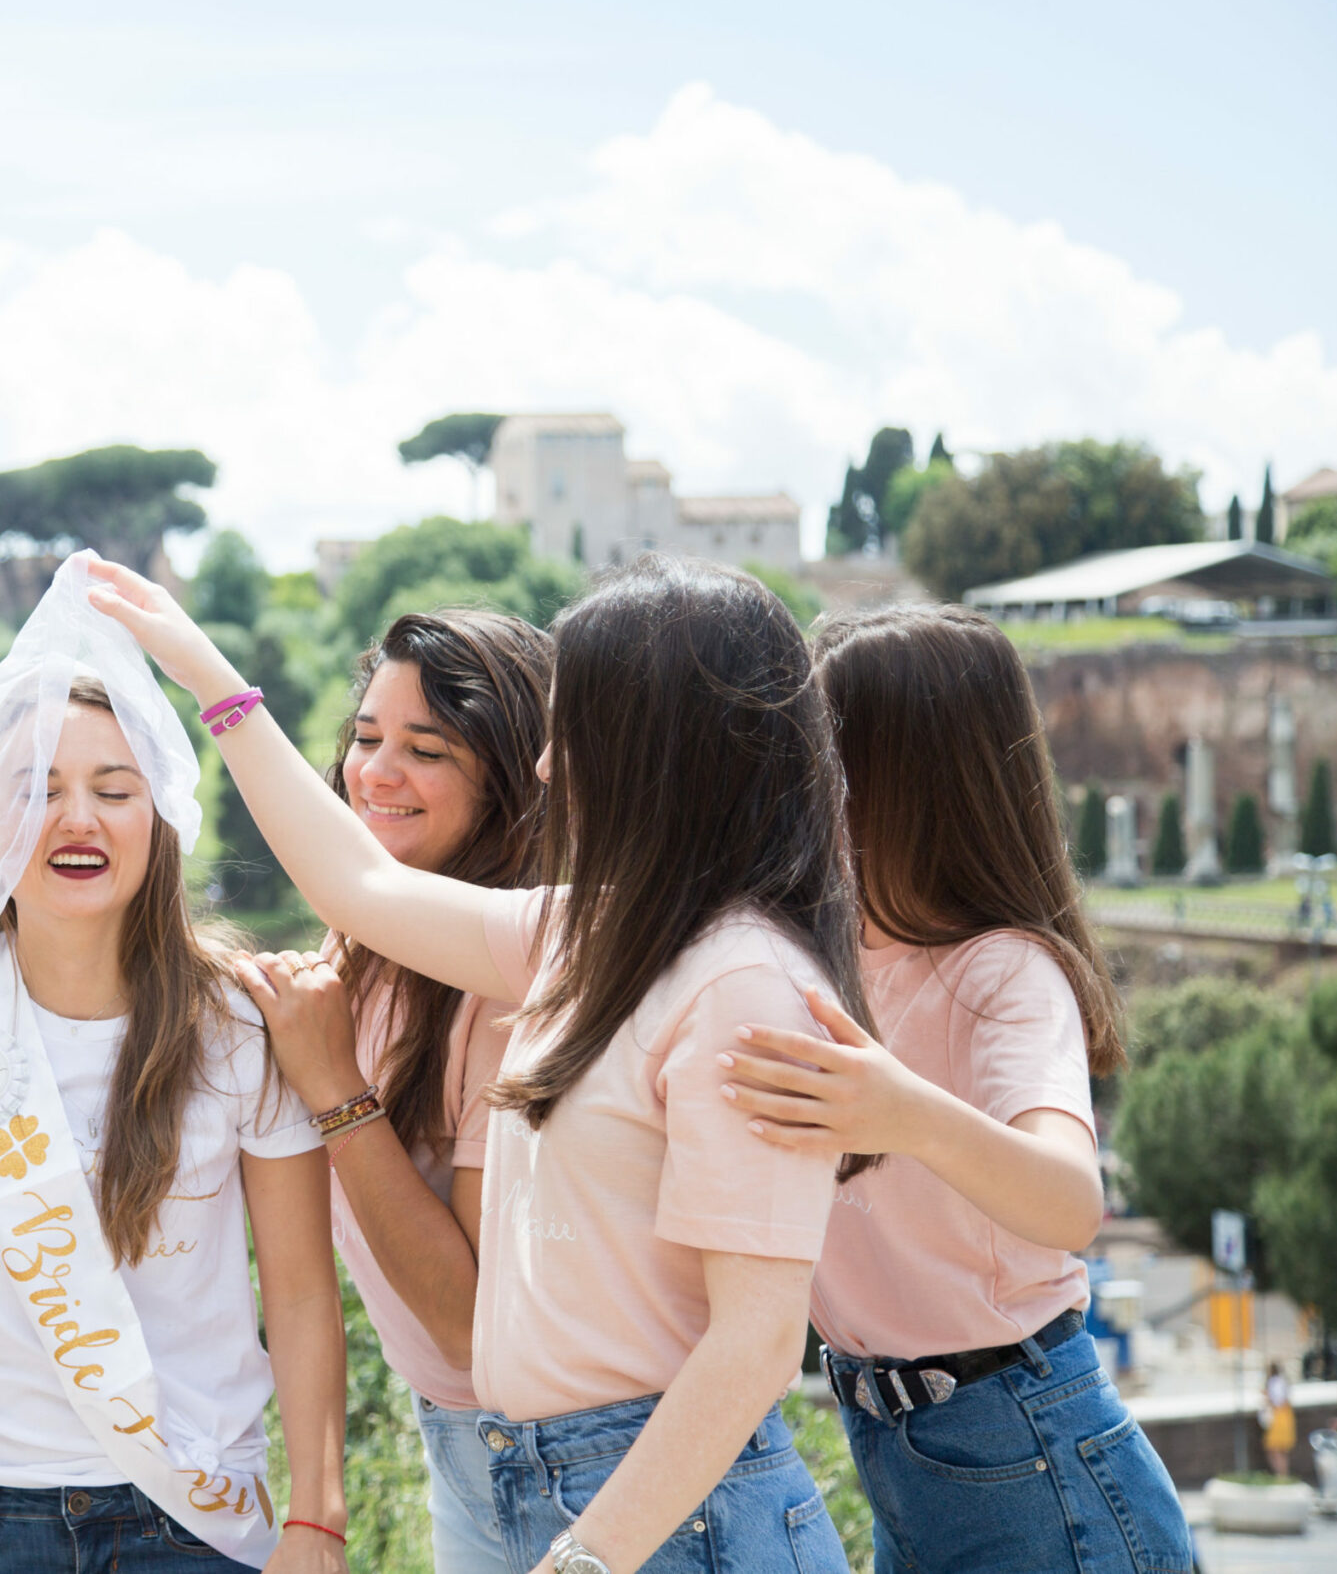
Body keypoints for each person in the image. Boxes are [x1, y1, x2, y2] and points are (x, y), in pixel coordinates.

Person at [91, 551, 860, 1574]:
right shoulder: (586, 935)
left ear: (657, 747)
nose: (544, 769)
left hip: (666, 1510)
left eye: (571, 732)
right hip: (540, 1472)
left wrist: (585, 1559)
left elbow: (756, 1342)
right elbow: (356, 885)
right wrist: (208, 677)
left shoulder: (741, 984)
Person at [0, 555, 348, 1574]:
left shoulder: (238, 1022)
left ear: (161, 817)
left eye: (114, 790)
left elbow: (299, 1292)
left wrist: (317, 1518)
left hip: (196, 1516)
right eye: (37, 791)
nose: (77, 819)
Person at [713, 606, 1192, 1574]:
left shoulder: (1004, 972)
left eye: (819, 753)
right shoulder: (810, 956)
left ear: (901, 778)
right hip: (905, 1450)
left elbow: (1070, 1201)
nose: (793, 783)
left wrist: (905, 1113)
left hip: (1031, 1454)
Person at [232, 610, 550, 1573]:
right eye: (366, 737)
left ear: (511, 777)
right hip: (461, 1438)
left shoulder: (512, 992)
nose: (376, 773)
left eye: (427, 749)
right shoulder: (367, 943)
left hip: (552, 1455)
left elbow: (469, 1322)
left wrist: (334, 1085)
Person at [1267, 1361, 1296, 1480]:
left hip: (1278, 1417)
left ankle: (1281, 1475)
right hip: (1285, 1416)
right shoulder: (1283, 1381)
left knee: (1275, 1448)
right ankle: (1284, 1474)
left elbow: (1277, 1401)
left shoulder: (1274, 1382)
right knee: (1281, 1450)